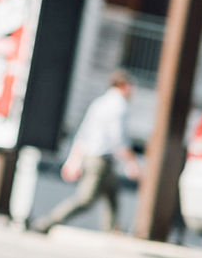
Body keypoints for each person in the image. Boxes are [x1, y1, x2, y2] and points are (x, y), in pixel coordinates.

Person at [31, 69, 142, 234]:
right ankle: (47, 222)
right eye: (131, 86)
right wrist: (132, 163)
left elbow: (83, 133)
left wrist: (73, 160)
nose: (133, 91)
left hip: (93, 157)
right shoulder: (120, 106)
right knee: (86, 199)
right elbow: (118, 139)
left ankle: (112, 230)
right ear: (123, 85)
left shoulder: (99, 102)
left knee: (112, 195)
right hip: (101, 159)